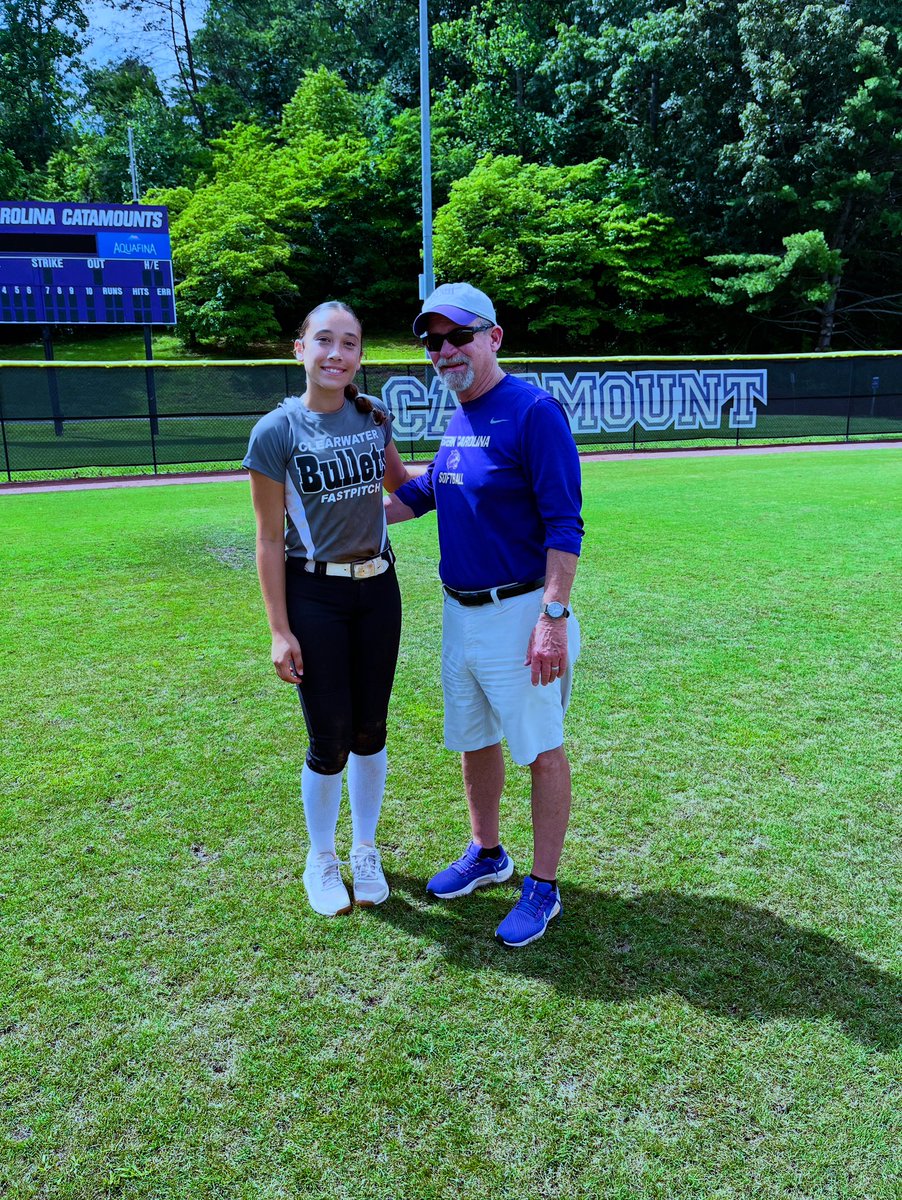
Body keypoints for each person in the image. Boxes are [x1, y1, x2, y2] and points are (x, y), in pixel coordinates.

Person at [385, 282, 584, 948]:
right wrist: (347, 504)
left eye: (458, 335)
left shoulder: (531, 411)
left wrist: (552, 616)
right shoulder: (461, 416)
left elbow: (564, 523)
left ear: (492, 337)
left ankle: (544, 888)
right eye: (432, 340)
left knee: (540, 748)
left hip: (522, 610)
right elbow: (422, 494)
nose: (444, 350)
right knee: (474, 738)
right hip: (460, 614)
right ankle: (487, 852)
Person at [244, 300, 409, 917]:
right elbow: (266, 537)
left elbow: (400, 486)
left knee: (371, 729)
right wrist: (279, 630)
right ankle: (322, 856)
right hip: (315, 594)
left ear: (361, 355)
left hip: (378, 590)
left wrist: (473, 476)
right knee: (329, 735)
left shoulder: (374, 418)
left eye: (350, 343)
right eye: (325, 342)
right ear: (301, 350)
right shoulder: (276, 431)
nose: (337, 354)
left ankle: (364, 849)